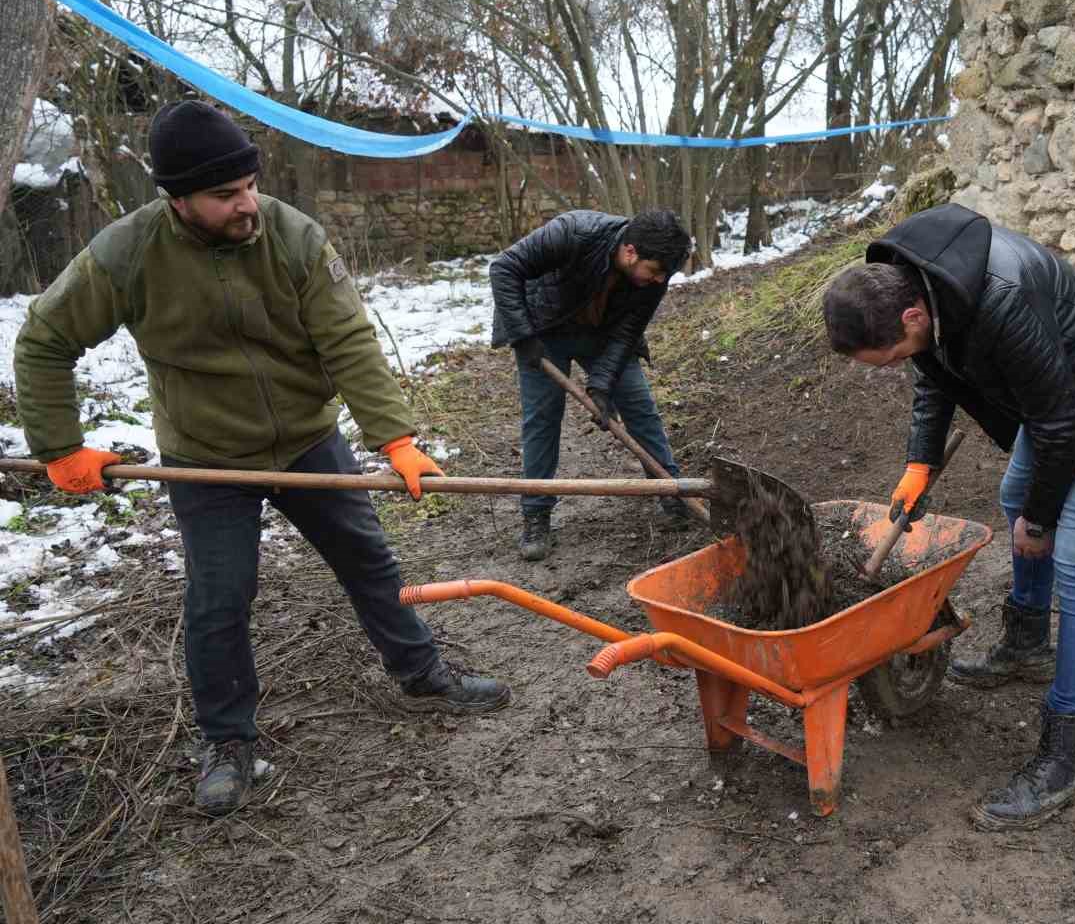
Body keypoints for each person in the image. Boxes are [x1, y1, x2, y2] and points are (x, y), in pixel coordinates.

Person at [12, 100, 511, 816]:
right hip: (206, 457)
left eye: (250, 183)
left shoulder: (292, 235)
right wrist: (58, 446)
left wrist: (393, 437)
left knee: (368, 559)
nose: (248, 202)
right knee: (219, 598)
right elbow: (42, 340)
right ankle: (228, 742)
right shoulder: (126, 254)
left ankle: (423, 671)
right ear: (178, 199)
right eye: (225, 195)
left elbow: (348, 340)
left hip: (306, 441)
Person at [823, 202, 1075, 832]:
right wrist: (918, 466)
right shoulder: (923, 288)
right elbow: (935, 376)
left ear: (911, 316)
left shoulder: (1001, 300)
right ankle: (1027, 643)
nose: (901, 361)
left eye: (894, 351)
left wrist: (1041, 525)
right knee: (1018, 497)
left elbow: (1062, 421)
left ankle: (1066, 757)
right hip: (1057, 392)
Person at [488, 208, 693, 562]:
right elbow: (504, 268)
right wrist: (522, 336)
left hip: (604, 333)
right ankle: (536, 514)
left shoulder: (656, 274)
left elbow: (629, 330)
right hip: (542, 330)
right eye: (656, 271)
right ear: (631, 252)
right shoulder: (573, 232)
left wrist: (602, 385)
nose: (660, 280)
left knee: (640, 408)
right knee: (542, 420)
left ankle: (671, 491)